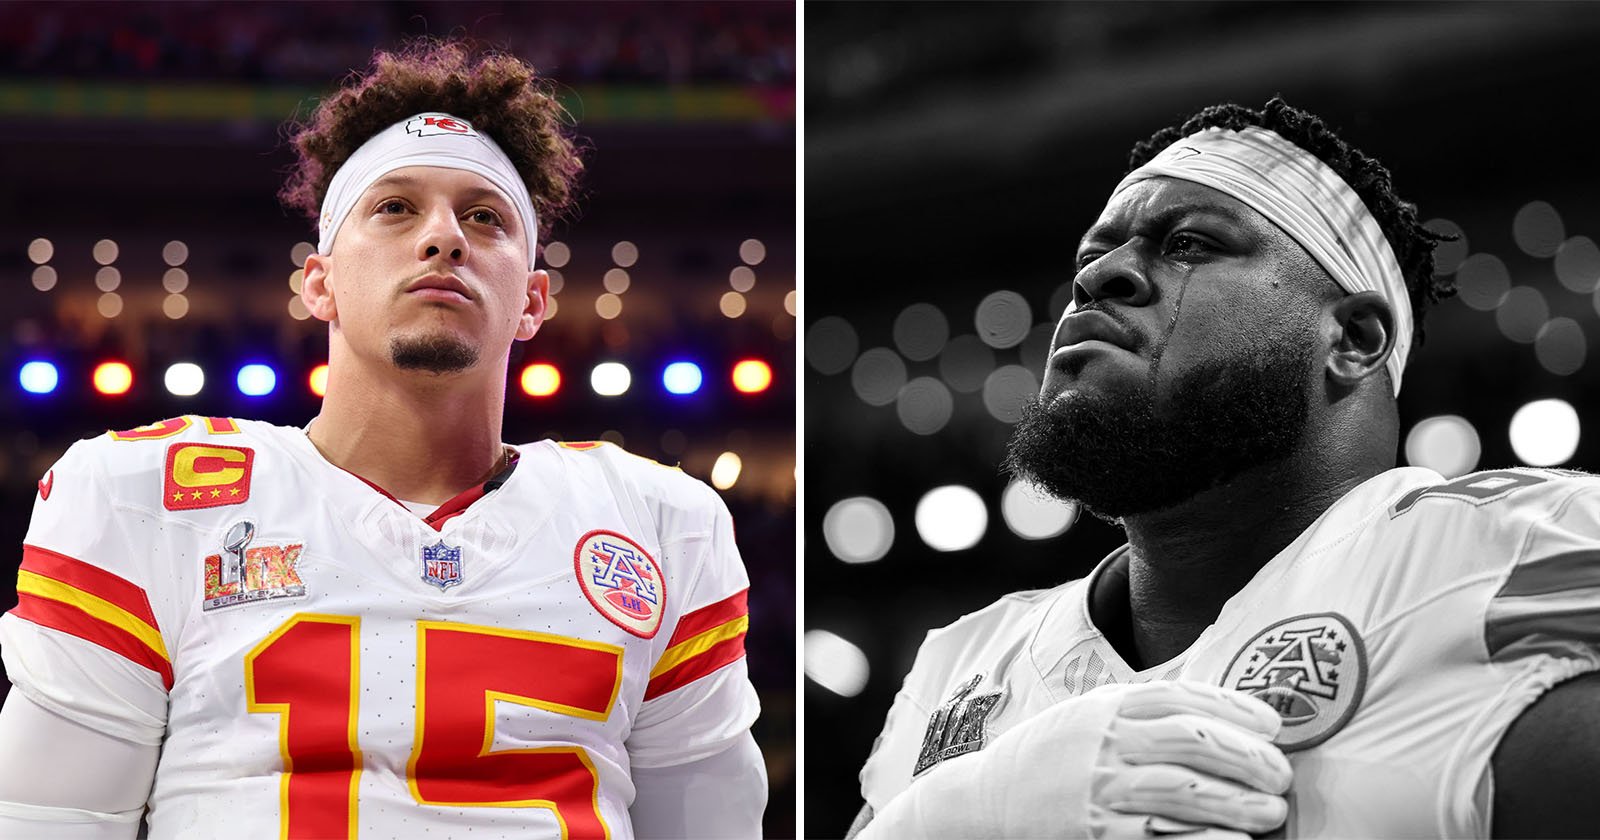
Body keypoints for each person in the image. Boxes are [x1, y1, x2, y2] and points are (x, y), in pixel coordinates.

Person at [0, 39, 765, 839]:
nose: (445, 238)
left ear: (533, 300)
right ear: (319, 282)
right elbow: (49, 823)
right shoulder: (143, 499)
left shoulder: (665, 525)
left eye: (484, 217)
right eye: (395, 207)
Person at [849, 97, 1600, 838]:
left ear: (1354, 339)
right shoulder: (960, 664)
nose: (1100, 277)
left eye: (1188, 244)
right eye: (1089, 256)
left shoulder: (1526, 552)